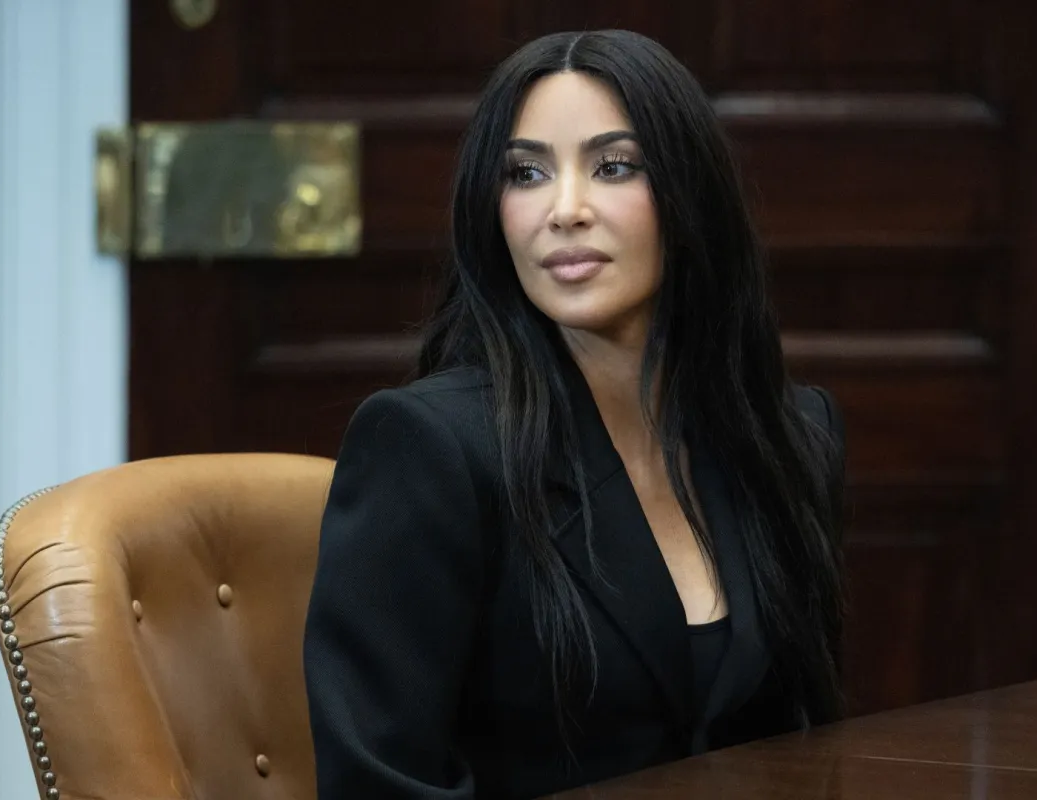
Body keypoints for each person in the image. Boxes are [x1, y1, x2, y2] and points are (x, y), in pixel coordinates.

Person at [302, 29, 847, 800]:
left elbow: (811, 749)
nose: (563, 210)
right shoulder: (427, 448)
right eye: (525, 174)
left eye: (614, 166)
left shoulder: (797, 437)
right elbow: (378, 785)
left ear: (691, 192)